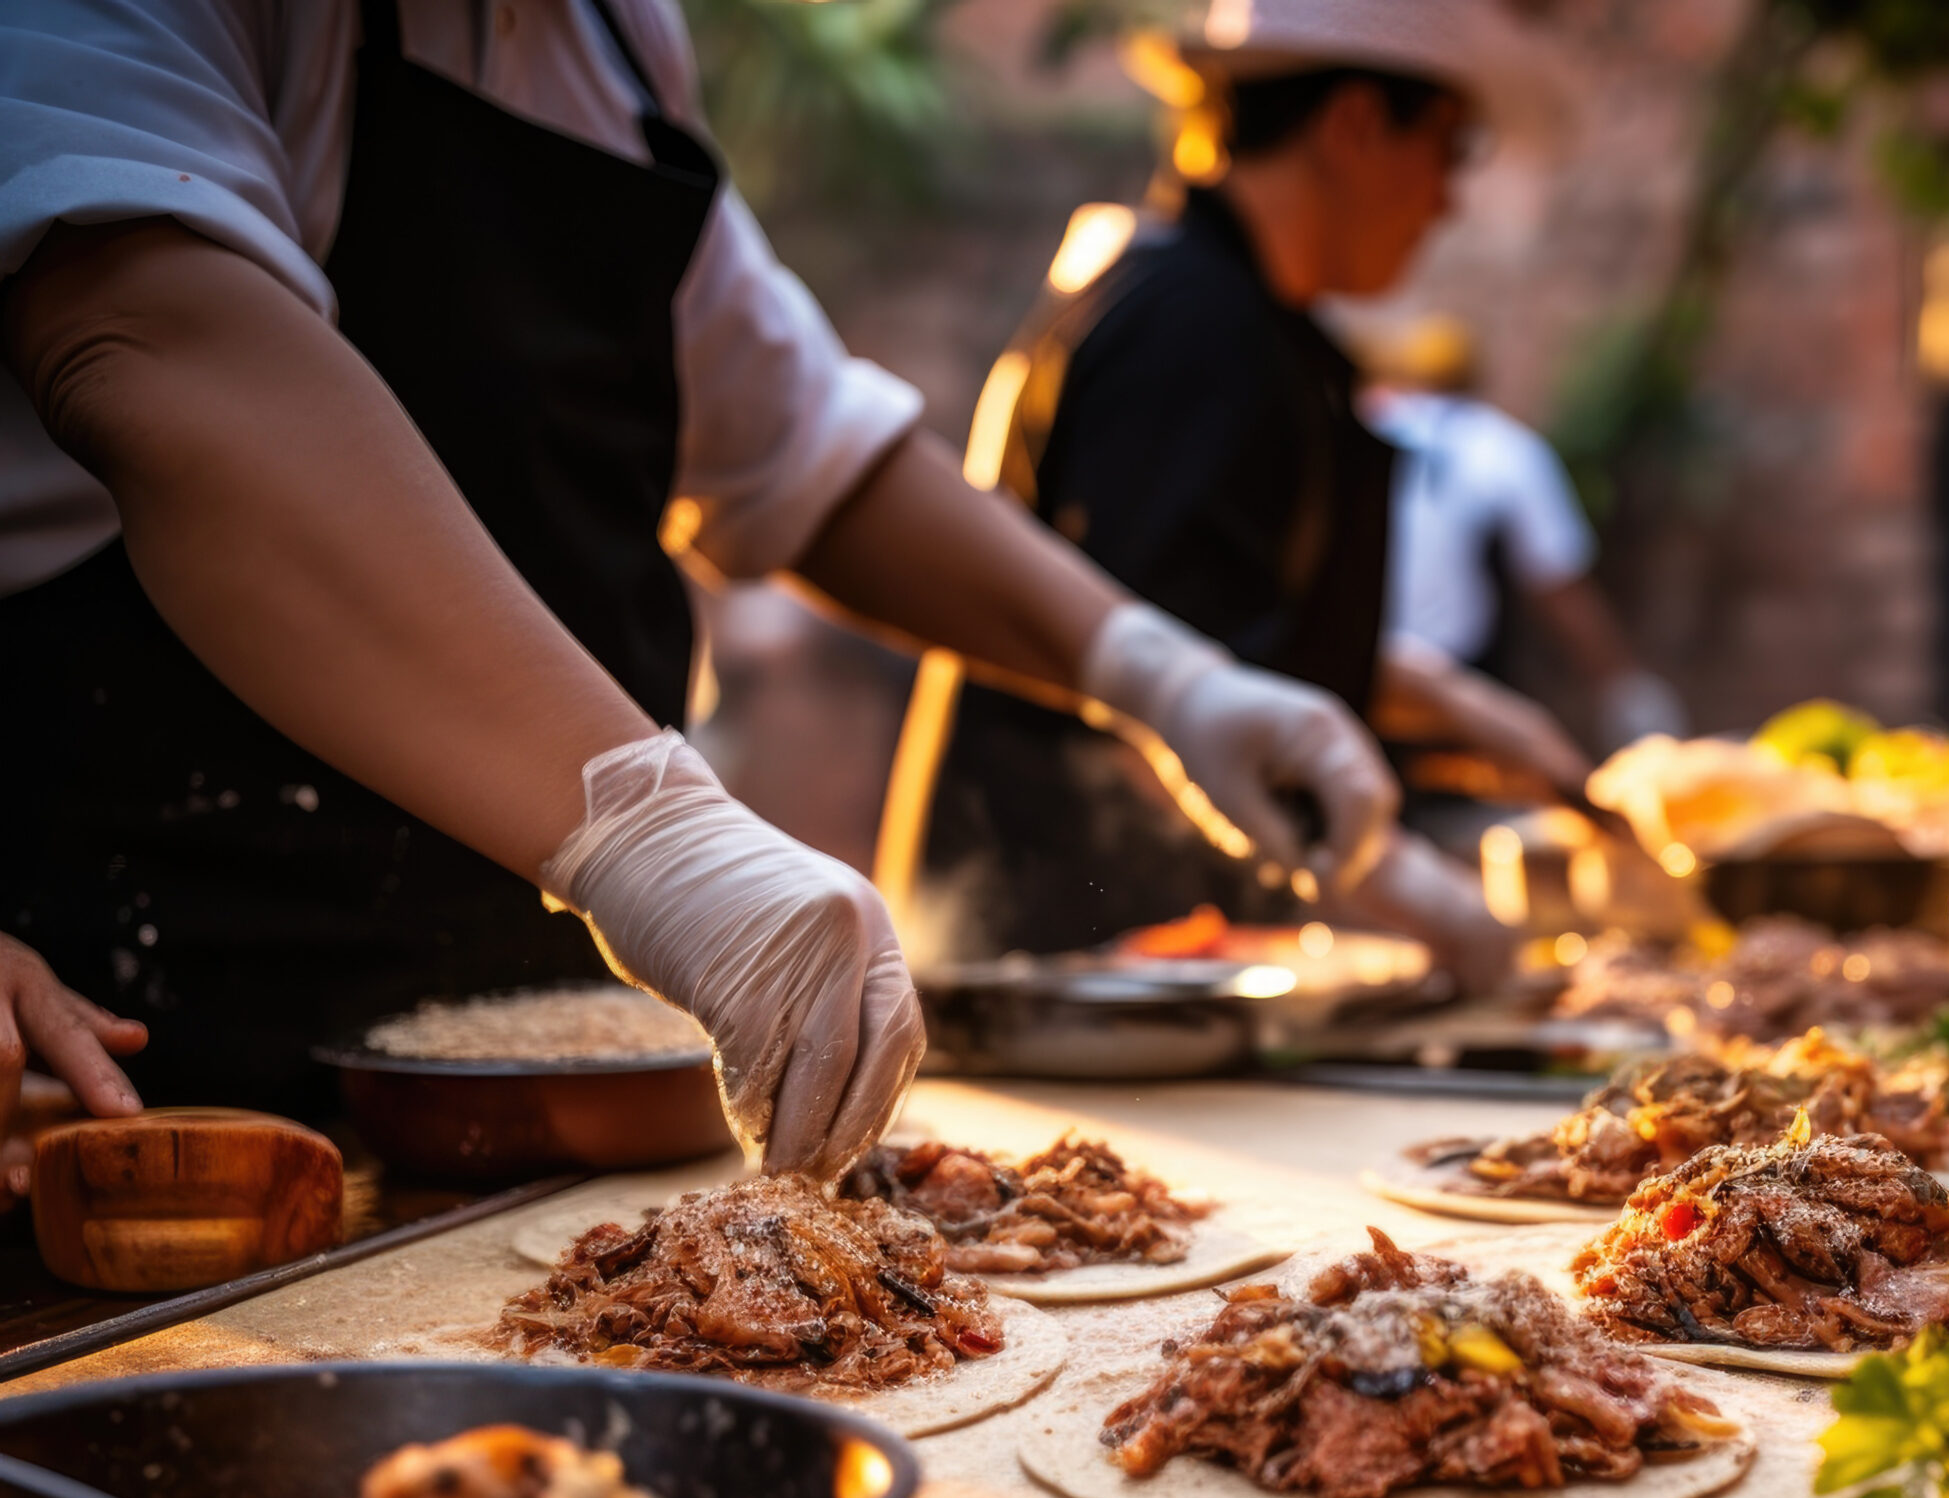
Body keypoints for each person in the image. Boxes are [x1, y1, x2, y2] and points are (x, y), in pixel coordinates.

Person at [0, 0, 1404, 1202]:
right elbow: (153, 337)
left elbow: (804, 452)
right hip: (153, 1081)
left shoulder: (615, 41)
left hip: (546, 1064)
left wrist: (1164, 677)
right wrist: (654, 835)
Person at [921, 0, 1578, 969]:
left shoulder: (1229, 313)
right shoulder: (1195, 329)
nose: (1450, 201)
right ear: (1354, 124)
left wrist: (1461, 710)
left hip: (1145, 960)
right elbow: (1159, 695)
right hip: (1079, 967)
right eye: (1448, 149)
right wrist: (1416, 897)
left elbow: (1210, 628)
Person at [1361, 315, 1692, 753]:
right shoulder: (1499, 446)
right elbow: (1556, 582)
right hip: (1451, 682)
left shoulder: (1348, 430)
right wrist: (1622, 685)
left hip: (1345, 674)